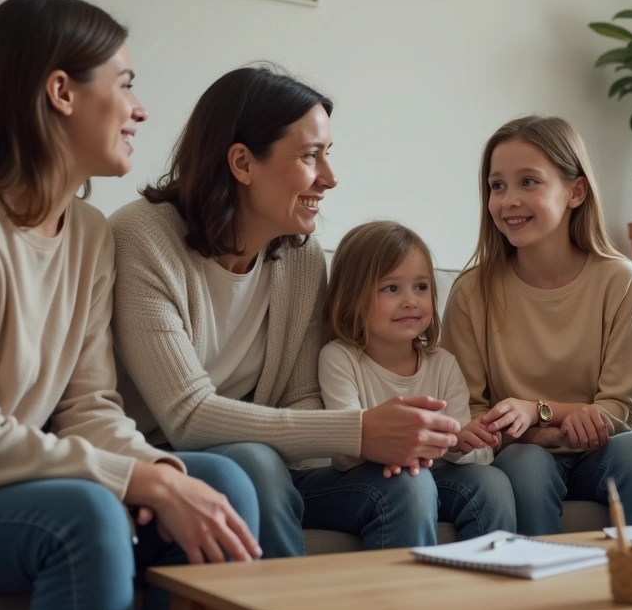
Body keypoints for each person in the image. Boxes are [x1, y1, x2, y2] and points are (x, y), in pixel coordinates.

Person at [0, 0, 261, 610]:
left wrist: (162, 472)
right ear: (61, 92)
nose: (141, 110)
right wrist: (138, 481)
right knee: (89, 514)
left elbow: (86, 406)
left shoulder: (90, 233)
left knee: (223, 482)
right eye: (125, 84)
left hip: (14, 480)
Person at [111, 66, 461, 557]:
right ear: (242, 162)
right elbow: (185, 417)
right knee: (255, 462)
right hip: (161, 466)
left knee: (408, 486)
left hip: (267, 463)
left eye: (328, 156)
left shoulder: (300, 256)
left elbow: (301, 397)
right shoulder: (142, 238)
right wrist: (360, 430)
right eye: (310, 156)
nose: (331, 178)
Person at [442, 115, 632, 536]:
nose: (508, 200)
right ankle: (541, 594)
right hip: (523, 450)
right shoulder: (471, 293)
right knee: (525, 467)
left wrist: (539, 411)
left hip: (608, 449)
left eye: (528, 182)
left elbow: (619, 410)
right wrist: (532, 435)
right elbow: (468, 414)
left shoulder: (619, 281)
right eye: (497, 185)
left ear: (575, 191)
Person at [318, 220, 516, 540]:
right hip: (370, 479)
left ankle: (495, 585)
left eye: (421, 287)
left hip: (431, 475)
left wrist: (459, 443)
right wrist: (406, 448)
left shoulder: (444, 364)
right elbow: (344, 451)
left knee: (492, 483)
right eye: (391, 288)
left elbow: (479, 455)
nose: (411, 301)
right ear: (353, 298)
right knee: (413, 483)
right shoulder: (339, 358)